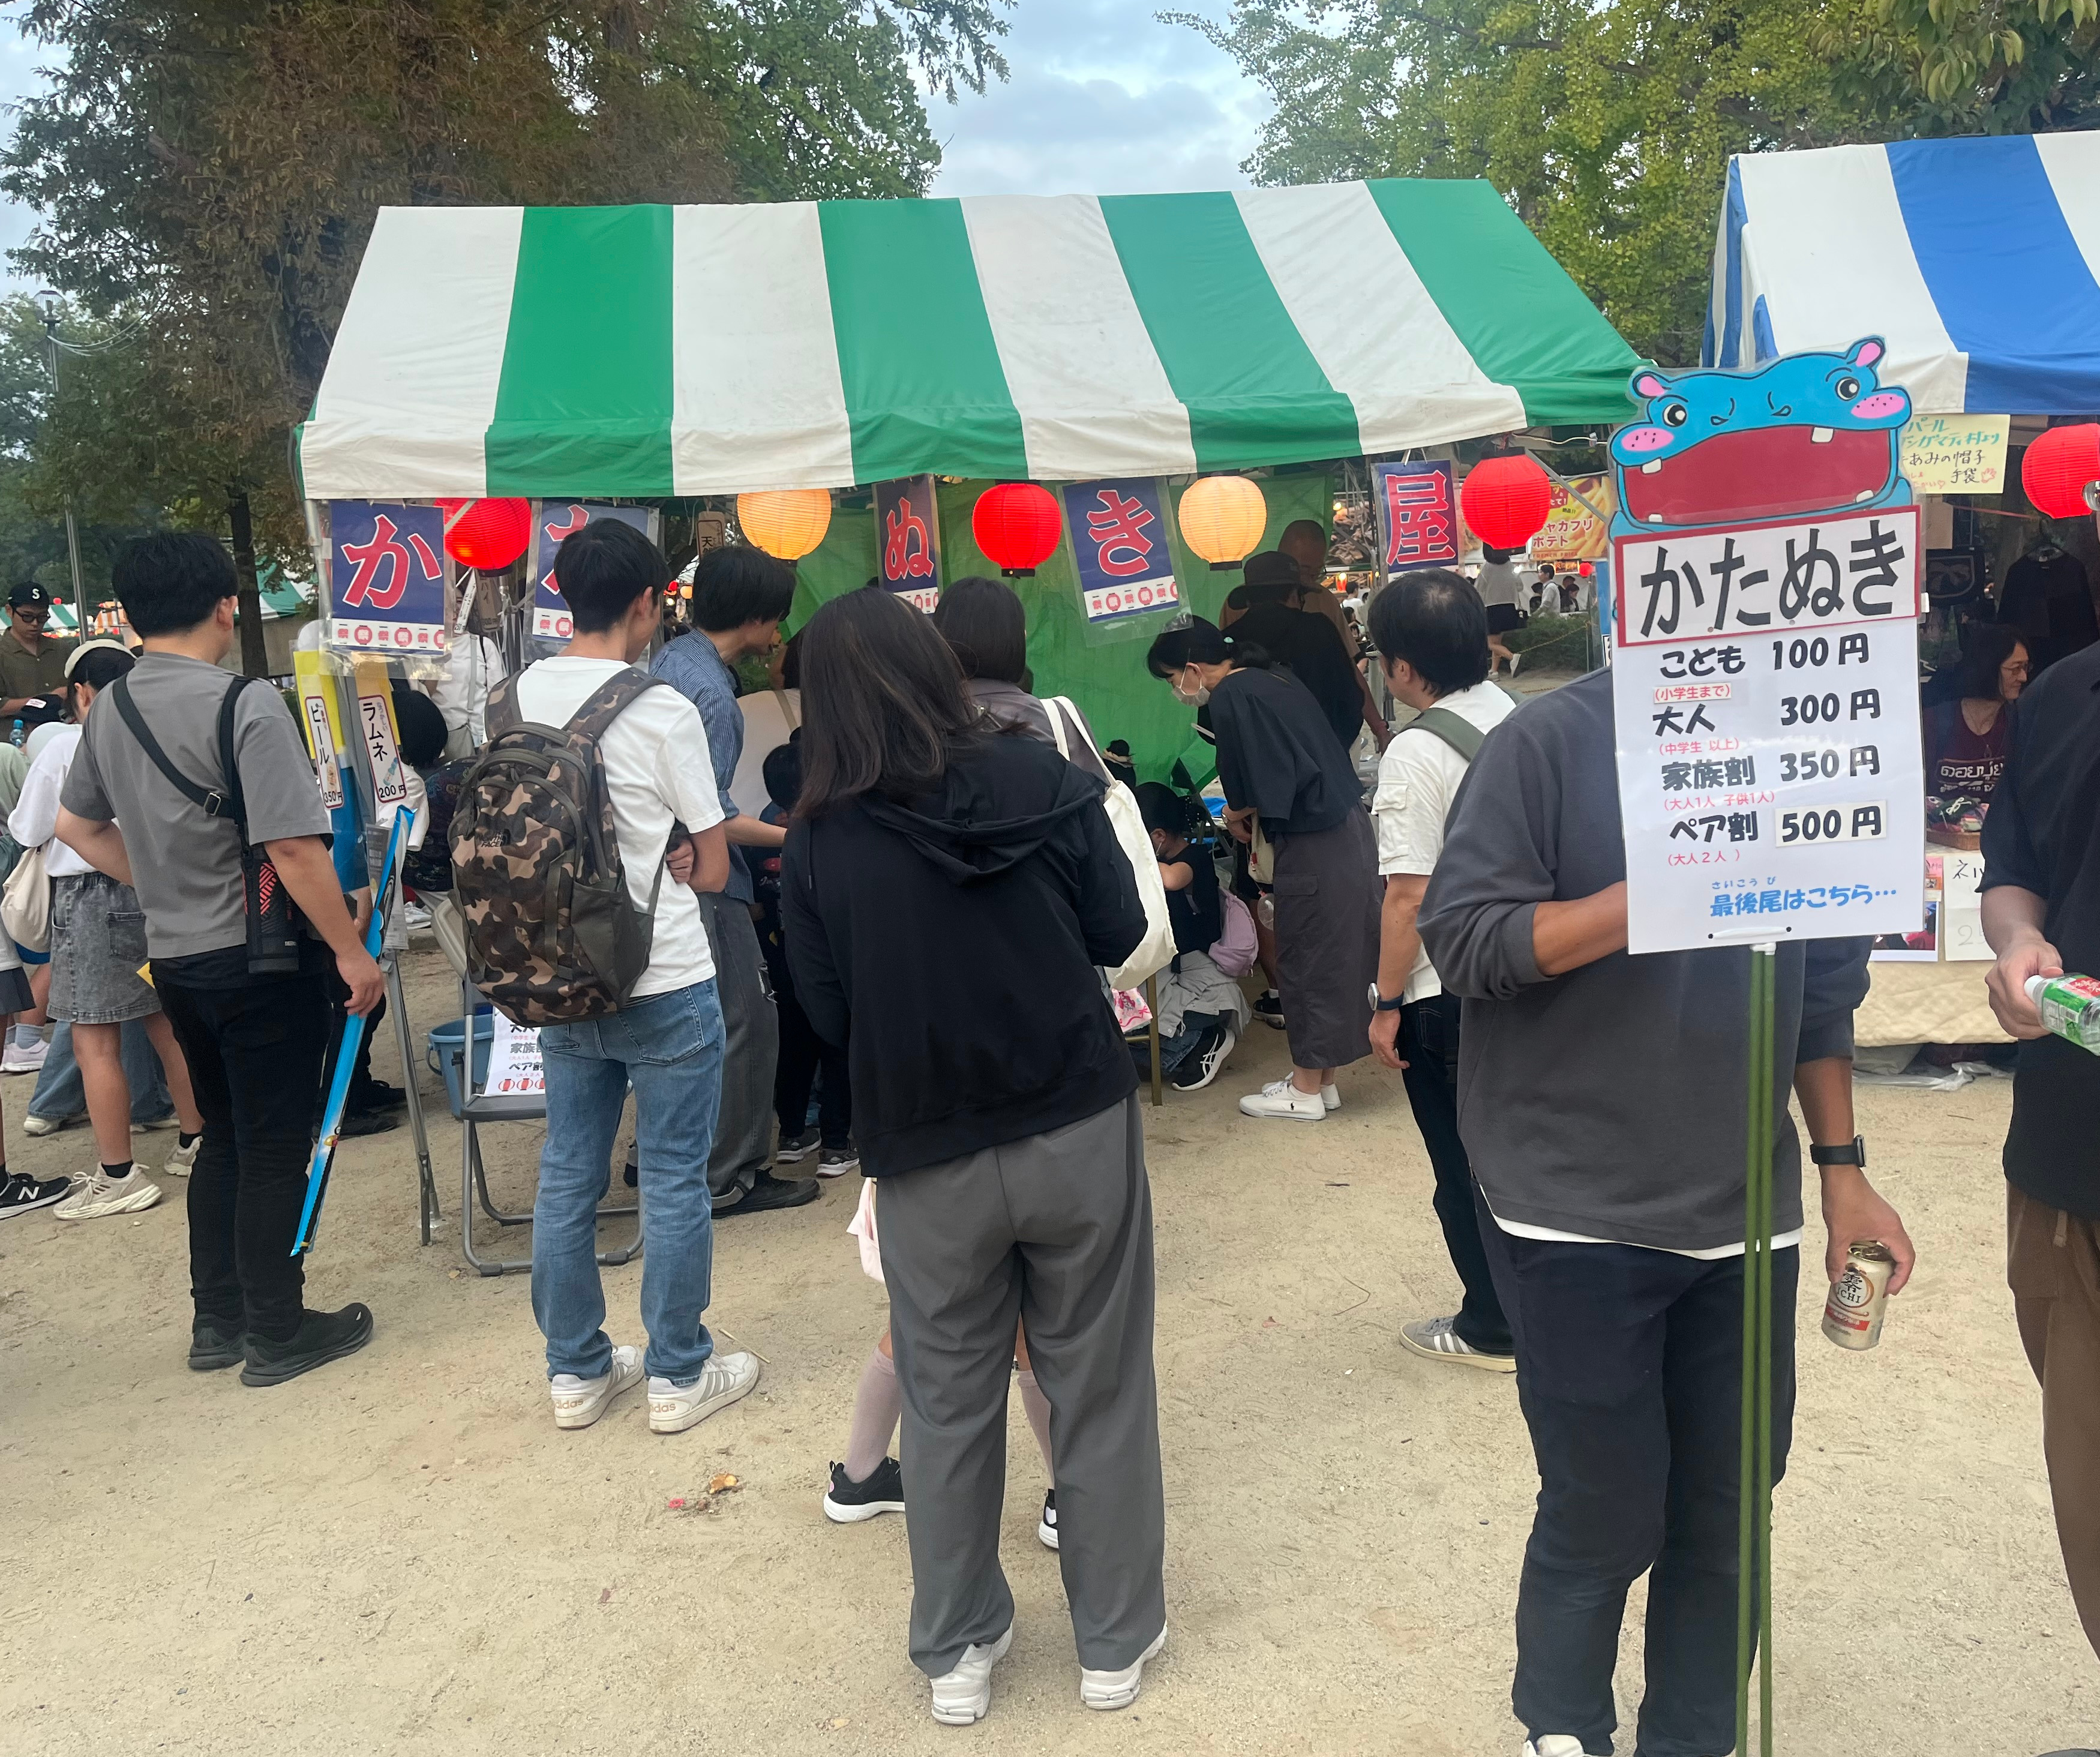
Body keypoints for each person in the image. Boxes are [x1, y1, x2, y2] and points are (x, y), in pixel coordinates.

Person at [1417, 665, 1915, 1757]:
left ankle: (1694, 1737)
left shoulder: (1817, 741)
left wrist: (1842, 1167)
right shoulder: (1548, 742)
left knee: (1731, 1507)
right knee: (1605, 1504)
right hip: (1568, 1204)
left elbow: (1824, 985)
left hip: (1747, 1210)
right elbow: (1467, 942)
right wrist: (1673, 881)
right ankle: (1563, 1725)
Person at [782, 589, 1164, 1725]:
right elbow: (1118, 933)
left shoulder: (819, 838)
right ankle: (1114, 1638)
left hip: (926, 1144)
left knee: (946, 1400)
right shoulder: (1043, 775)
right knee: (1097, 1383)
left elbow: (828, 1014)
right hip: (1076, 1118)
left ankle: (957, 1649)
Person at [56, 532, 385, 1386]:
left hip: (176, 962)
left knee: (225, 1138)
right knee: (274, 1143)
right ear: (226, 606)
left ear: (131, 615)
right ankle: (277, 1329)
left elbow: (75, 826)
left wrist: (160, 882)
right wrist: (351, 953)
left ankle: (219, 1321)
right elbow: (294, 850)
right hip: (260, 962)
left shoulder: (110, 709)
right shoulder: (246, 705)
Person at [501, 518, 759, 1436]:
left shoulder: (510, 698)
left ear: (565, 596)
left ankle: (575, 1372)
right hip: (664, 975)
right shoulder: (662, 708)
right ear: (647, 603)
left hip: (556, 972)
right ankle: (678, 1374)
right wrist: (682, 857)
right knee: (676, 1178)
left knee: (569, 1172)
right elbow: (715, 867)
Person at [1980, 623, 2100, 1672]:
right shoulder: (2067, 694)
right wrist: (2021, 941)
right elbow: (2015, 871)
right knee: (2090, 1484)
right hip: (2071, 1156)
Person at [1364, 571, 1516, 1371]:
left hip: (1448, 992)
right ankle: (1541, 1308)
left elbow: (1408, 896)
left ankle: (1492, 1326)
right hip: (1528, 971)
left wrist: (1386, 1002)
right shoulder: (1519, 718)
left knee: (1461, 1168)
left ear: (1403, 667)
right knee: (1524, 1153)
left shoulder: (1417, 752)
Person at [1147, 617, 1379, 1122]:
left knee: (1305, 959)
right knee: (1332, 957)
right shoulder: (1274, 676)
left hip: (1312, 840)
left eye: (1171, 679)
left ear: (1192, 668)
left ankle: (1305, 1090)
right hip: (1346, 829)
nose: (1176, 690)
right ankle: (1322, 1081)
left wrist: (1235, 814)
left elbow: (1262, 783)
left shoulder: (1231, 696)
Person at [651, 546, 817, 1216]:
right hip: (703, 880)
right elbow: (712, 816)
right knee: (747, 1018)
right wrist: (796, 837)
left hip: (662, 872)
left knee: (689, 1024)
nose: (778, 633)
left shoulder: (671, 661)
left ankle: (670, 1156)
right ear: (753, 617)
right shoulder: (715, 697)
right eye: (776, 618)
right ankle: (731, 1173)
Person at [14, 641, 205, 1219]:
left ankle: (119, 1174)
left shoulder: (65, 746)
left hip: (90, 896)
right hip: (152, 888)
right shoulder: (156, 737)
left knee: (94, 1041)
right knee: (166, 1024)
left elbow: (29, 828)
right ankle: (196, 1139)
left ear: (80, 692)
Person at [754, 738, 854, 1177]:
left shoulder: (757, 837)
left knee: (793, 1049)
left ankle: (792, 1135)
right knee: (838, 1047)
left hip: (781, 963)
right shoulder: (828, 837)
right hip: (829, 964)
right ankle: (836, 1145)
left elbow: (754, 907)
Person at [930, 575, 1110, 781]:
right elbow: (1099, 795)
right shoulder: (1060, 720)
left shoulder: (920, 723)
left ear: (936, 638)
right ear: (1020, 639)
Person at [1130, 782, 1244, 1091]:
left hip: (1201, 970)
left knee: (1155, 1043)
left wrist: (1133, 853)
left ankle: (1209, 1038)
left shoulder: (1195, 857)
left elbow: (1170, 879)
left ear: (1158, 836)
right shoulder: (1164, 856)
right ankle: (1193, 1043)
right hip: (1169, 964)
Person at [1217, 552, 1367, 755]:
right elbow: (1350, 698)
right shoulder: (1318, 629)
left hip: (1261, 763)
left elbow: (1220, 720)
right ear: (1294, 595)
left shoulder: (1230, 640)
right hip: (1324, 754)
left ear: (1249, 601)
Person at [1923, 623, 2028, 805]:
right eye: (2015, 668)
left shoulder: (2018, 723)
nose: (2023, 677)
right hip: (1942, 822)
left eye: (2026, 667)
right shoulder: (1934, 722)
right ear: (1989, 668)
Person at [0, 582, 77, 725]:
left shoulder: (61, 649)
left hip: (62, 732)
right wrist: (48, 699)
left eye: (42, 617)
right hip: (17, 735)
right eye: (27, 617)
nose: (35, 623)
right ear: (9, 611)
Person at [1475, 545, 1526, 674]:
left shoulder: (1487, 567)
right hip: (1510, 608)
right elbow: (1520, 587)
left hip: (1493, 608)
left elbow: (1479, 588)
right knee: (1497, 642)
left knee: (1490, 644)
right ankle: (1494, 671)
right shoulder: (1510, 566)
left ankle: (1512, 657)